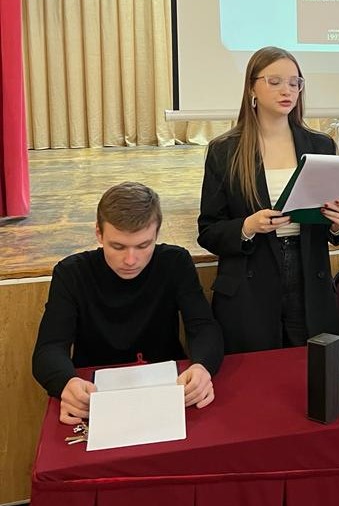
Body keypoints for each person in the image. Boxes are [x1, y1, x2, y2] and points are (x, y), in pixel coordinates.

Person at [198, 46, 339, 353]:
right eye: (275, 81)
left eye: (295, 83)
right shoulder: (225, 150)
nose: (287, 90)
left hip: (309, 282)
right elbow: (209, 231)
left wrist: (338, 223)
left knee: (311, 369)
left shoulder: (321, 145)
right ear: (252, 87)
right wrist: (247, 226)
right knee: (256, 373)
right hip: (250, 284)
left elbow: (330, 227)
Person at [32, 182, 223, 425]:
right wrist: (67, 383)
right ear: (99, 234)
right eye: (118, 246)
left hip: (167, 389)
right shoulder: (71, 273)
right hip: (94, 394)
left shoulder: (175, 262)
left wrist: (202, 367)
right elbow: (49, 349)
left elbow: (203, 326)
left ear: (157, 234)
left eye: (143, 245)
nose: (131, 260)